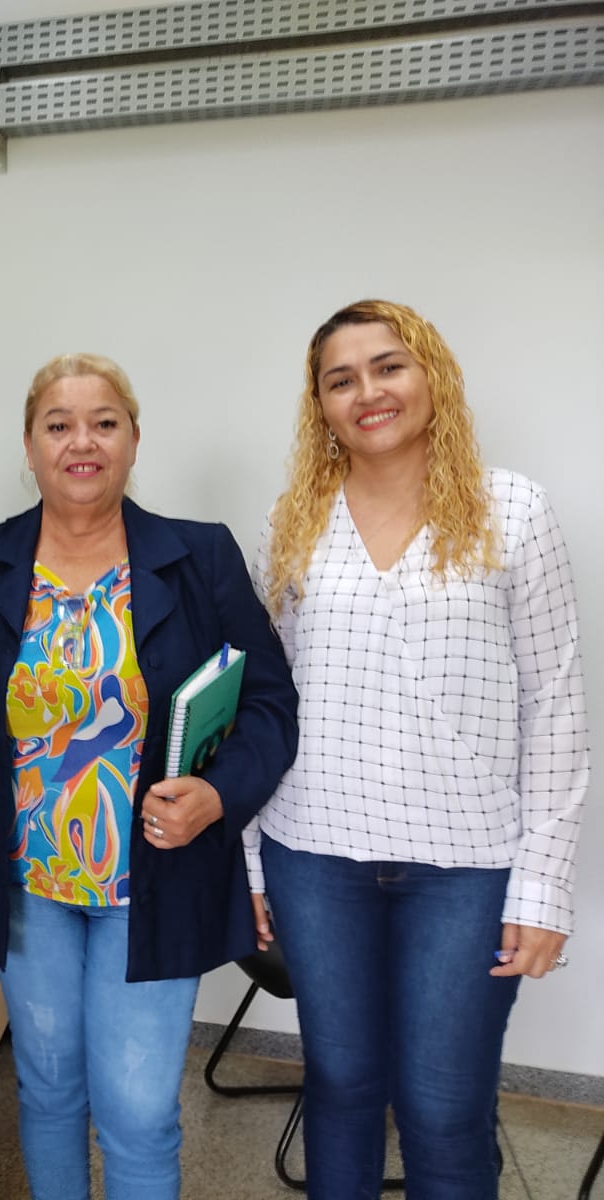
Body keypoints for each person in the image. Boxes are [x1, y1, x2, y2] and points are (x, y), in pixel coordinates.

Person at [0, 353, 299, 1200]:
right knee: (49, 1091)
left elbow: (271, 704)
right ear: (29, 446)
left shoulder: (199, 557)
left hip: (155, 881)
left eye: (103, 423)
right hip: (27, 886)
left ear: (133, 439)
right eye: (58, 425)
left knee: (137, 1114)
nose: (81, 442)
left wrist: (218, 796)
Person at [247, 299, 589, 1198]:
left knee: (443, 1108)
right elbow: (260, 704)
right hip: (313, 852)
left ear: (431, 375)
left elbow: (556, 708)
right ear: (320, 407)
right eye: (341, 379)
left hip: (466, 865)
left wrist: (543, 886)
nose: (368, 391)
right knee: (341, 1086)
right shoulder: (292, 522)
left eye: (388, 366)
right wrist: (246, 860)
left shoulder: (513, 510)